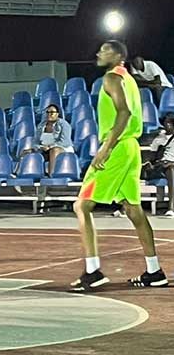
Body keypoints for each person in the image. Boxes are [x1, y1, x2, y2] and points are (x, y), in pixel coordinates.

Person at [72, 40, 168, 291]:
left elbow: (123, 113)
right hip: (131, 149)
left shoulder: (111, 78)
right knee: (133, 209)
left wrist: (105, 147)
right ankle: (154, 270)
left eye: (104, 50)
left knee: (81, 205)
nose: (98, 53)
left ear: (117, 55)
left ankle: (92, 272)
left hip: (117, 148)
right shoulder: (130, 79)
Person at [21, 104, 74, 175]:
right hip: (44, 149)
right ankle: (25, 174)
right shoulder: (41, 125)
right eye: (47, 112)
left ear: (57, 114)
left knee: (54, 150)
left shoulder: (64, 124)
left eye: (52, 112)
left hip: (62, 148)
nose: (49, 114)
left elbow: (65, 142)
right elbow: (35, 142)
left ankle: (51, 175)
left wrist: (50, 147)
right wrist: (39, 147)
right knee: (27, 152)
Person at [145, 113, 174, 218]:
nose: (168, 125)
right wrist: (151, 164)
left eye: (171, 123)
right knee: (170, 169)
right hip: (161, 165)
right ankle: (171, 208)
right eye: (166, 123)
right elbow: (152, 158)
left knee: (171, 167)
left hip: (172, 164)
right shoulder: (159, 138)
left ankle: (171, 207)